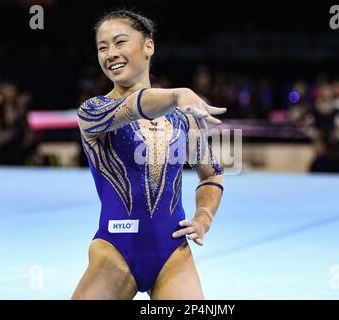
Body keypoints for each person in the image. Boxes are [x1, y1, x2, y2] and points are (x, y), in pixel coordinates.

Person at [72, 10, 226, 300]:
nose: (111, 54)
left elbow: (212, 172)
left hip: (173, 256)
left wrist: (203, 217)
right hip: (114, 254)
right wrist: (178, 94)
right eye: (102, 47)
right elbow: (134, 106)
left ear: (148, 46)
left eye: (120, 42)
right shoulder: (93, 112)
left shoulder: (183, 117)